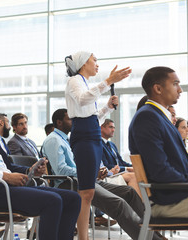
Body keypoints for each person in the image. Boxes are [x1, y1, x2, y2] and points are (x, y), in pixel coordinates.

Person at [0, 83, 81, 240]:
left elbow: (7, 165)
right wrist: (5, 176)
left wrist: (29, 170)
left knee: (73, 198)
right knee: (53, 201)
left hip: (9, 186)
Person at [42, 108, 163, 240]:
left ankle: (153, 232)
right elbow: (61, 170)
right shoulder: (53, 140)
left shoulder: (65, 139)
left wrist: (91, 172)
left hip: (81, 179)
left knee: (129, 192)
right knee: (118, 204)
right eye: (70, 119)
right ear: (59, 122)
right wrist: (88, 172)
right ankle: (151, 239)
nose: (74, 122)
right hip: (69, 184)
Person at [64, 51, 131, 240]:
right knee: (86, 191)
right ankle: (83, 237)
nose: (97, 64)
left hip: (92, 133)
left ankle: (84, 236)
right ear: (83, 63)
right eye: (94, 60)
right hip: (84, 136)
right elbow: (83, 100)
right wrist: (108, 81)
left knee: (89, 191)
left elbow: (91, 116)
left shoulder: (84, 83)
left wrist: (107, 108)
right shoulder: (74, 80)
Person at [129, 66, 188, 218]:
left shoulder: (158, 116)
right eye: (175, 84)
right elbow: (160, 170)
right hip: (168, 201)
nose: (180, 90)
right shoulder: (147, 117)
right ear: (158, 88)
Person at [100, 119, 141, 196]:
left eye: (114, 128)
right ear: (101, 127)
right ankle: (138, 205)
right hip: (110, 174)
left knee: (139, 172)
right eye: (110, 127)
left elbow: (121, 162)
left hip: (118, 172)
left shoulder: (112, 145)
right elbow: (106, 165)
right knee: (134, 175)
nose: (113, 130)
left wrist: (134, 166)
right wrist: (126, 169)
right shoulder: (98, 144)